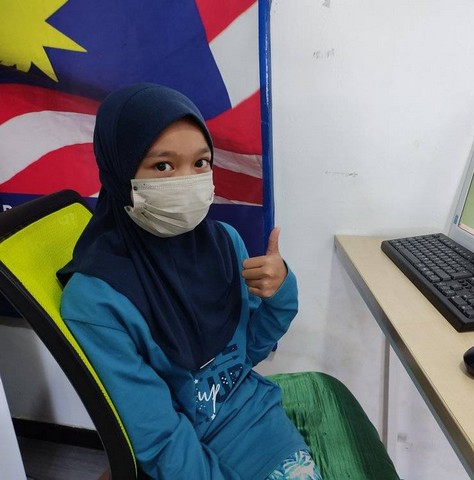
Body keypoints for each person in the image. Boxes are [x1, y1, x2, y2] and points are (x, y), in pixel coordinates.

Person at [58, 83, 322, 479]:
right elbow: (159, 439)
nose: (187, 180)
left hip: (261, 429)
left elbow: (248, 351)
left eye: (201, 163)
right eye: (163, 166)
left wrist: (281, 292)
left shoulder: (224, 243)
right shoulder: (96, 299)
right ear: (119, 171)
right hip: (188, 458)